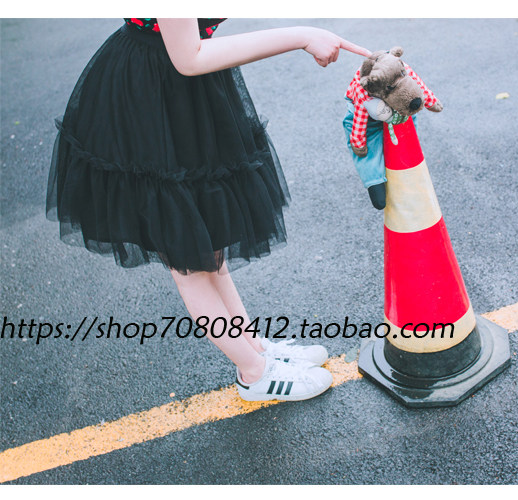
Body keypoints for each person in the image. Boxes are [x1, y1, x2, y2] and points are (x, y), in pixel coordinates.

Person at [45, 18, 371, 402]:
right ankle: (253, 373)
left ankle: (255, 350)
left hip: (180, 93)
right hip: (153, 97)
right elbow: (190, 58)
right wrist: (302, 36)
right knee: (190, 264)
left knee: (207, 250)